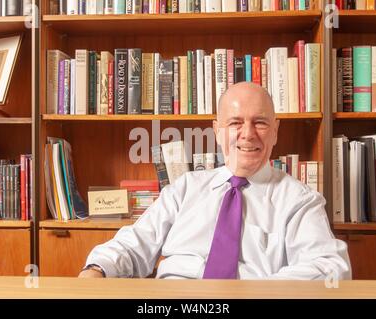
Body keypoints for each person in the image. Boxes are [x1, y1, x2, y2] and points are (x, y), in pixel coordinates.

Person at [79, 82, 351, 280]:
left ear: (276, 131)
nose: (247, 134)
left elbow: (331, 267)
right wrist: (97, 269)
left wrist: (257, 292)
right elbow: (133, 243)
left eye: (260, 123)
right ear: (217, 131)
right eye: (235, 123)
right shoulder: (185, 188)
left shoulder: (299, 200)